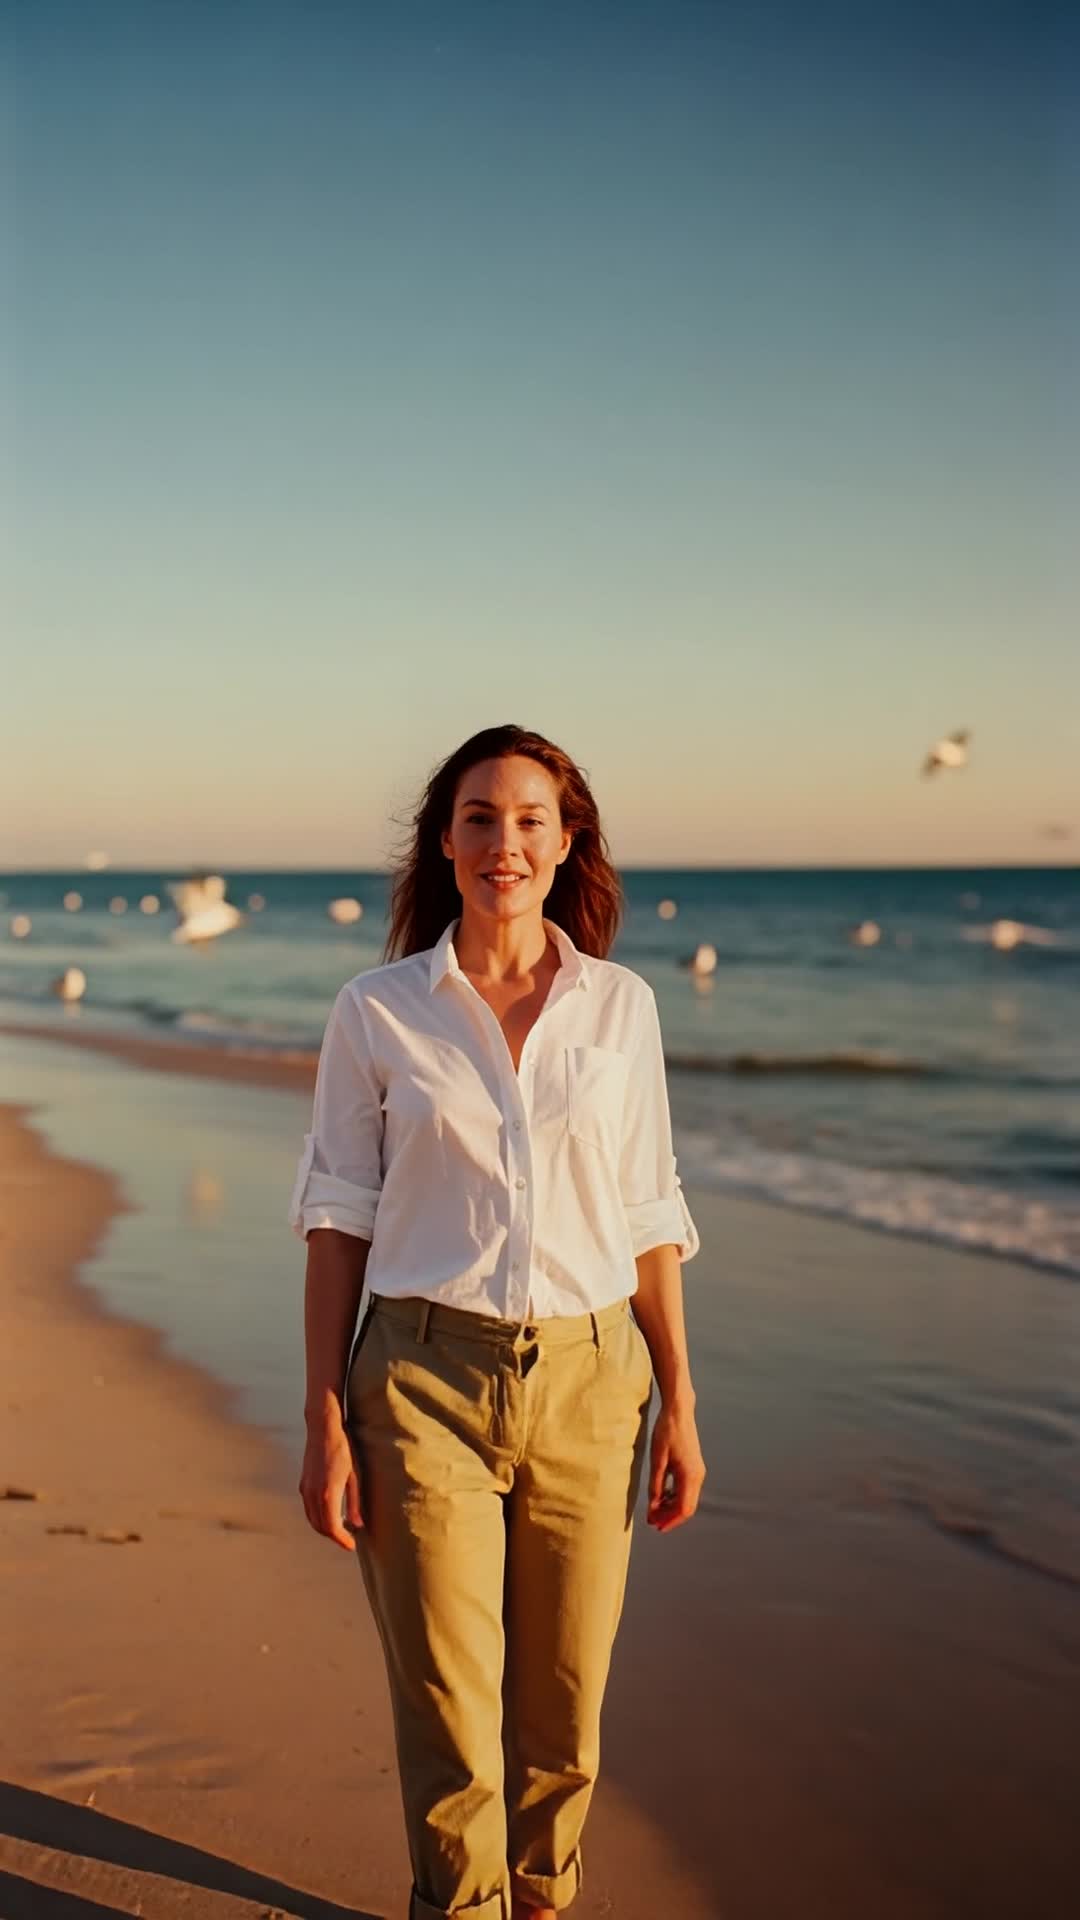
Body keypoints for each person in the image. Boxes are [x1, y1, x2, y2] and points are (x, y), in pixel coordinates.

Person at [291, 724, 705, 1920]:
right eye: (480, 817)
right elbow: (337, 1221)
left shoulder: (619, 1009)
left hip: (592, 1381)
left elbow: (647, 1213)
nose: (504, 842)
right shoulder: (377, 1014)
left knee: (565, 1718)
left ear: (569, 842)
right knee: (450, 1716)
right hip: (419, 1384)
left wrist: (679, 1398)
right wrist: (323, 1412)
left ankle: (542, 1900)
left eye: (530, 819)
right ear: (445, 839)